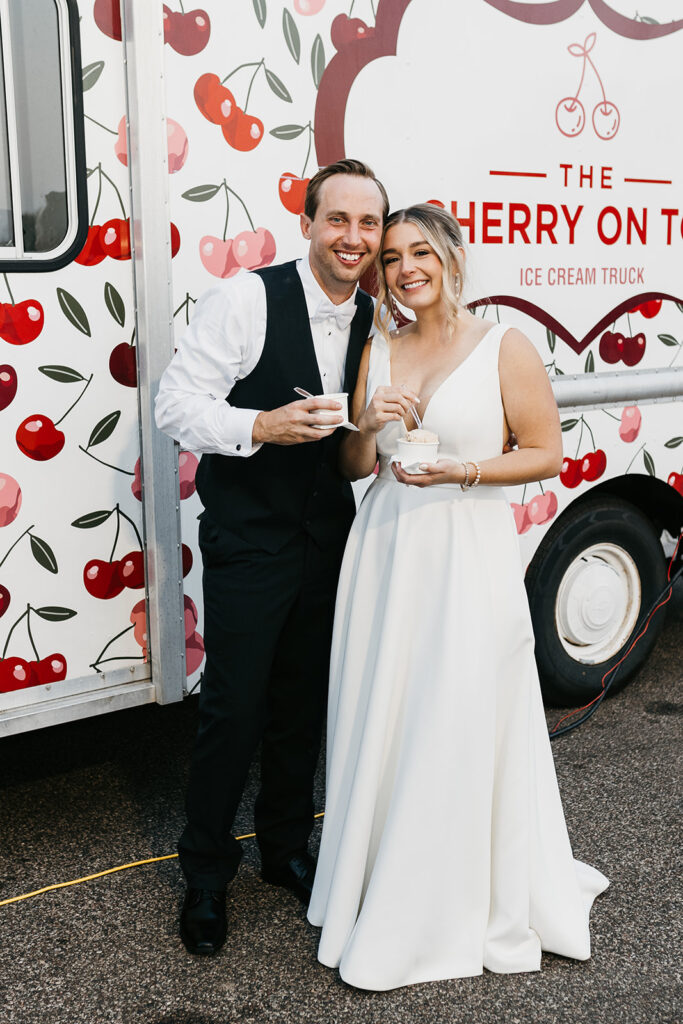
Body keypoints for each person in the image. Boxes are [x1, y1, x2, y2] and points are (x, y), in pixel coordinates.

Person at [307, 204, 609, 990]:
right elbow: (350, 466)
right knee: (392, 715)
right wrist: (364, 427)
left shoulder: (502, 344)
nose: (404, 268)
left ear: (447, 255)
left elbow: (545, 454)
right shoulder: (379, 345)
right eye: (392, 258)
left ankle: (451, 898)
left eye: (418, 251)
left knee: (461, 712)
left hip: (467, 552)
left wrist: (463, 472)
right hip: (386, 552)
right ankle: (383, 882)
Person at [154, 159, 389, 956]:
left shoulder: (378, 316)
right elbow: (175, 404)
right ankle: (206, 876)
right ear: (308, 222)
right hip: (250, 539)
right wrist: (258, 427)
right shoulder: (246, 298)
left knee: (302, 704)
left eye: (368, 224)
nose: (353, 238)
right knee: (234, 708)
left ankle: (286, 848)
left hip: (329, 535)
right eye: (338, 220)